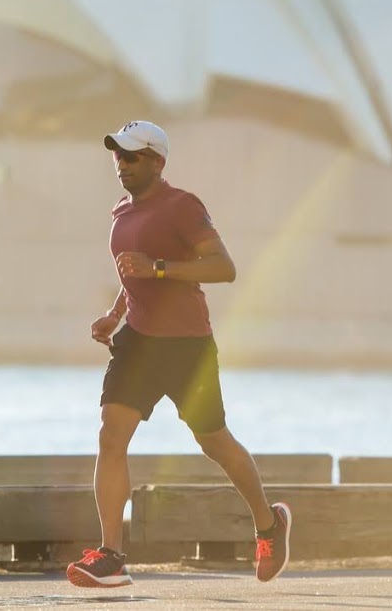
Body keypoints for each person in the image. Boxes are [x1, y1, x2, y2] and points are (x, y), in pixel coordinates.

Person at [66, 121, 291, 588]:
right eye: (117, 156)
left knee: (214, 442)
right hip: (138, 343)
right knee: (111, 434)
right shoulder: (121, 212)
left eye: (130, 156)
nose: (121, 164)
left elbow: (223, 268)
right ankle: (112, 555)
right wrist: (114, 314)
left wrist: (160, 268)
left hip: (188, 346)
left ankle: (269, 525)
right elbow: (133, 276)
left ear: (156, 161)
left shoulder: (184, 207)